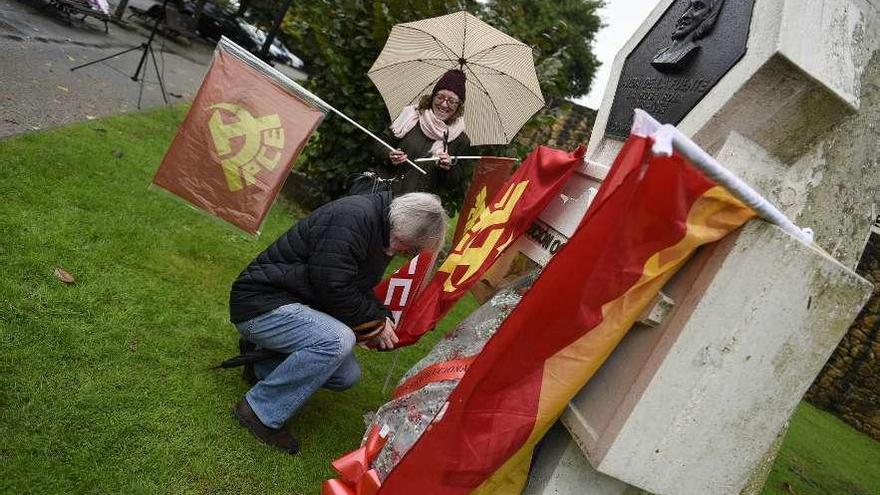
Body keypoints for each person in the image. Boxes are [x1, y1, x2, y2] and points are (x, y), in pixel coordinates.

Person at [228, 192, 448, 453]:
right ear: (402, 228)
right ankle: (259, 411)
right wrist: (374, 323)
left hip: (286, 304)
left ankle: (260, 362)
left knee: (346, 376)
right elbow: (332, 284)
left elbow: (355, 284)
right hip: (259, 304)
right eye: (408, 246)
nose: (405, 253)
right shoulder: (354, 218)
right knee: (337, 340)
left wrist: (382, 314)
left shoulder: (378, 225)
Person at [350, 69, 471, 198]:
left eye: (451, 101)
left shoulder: (460, 139)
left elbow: (453, 183)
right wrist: (389, 154)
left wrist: (447, 168)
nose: (444, 104)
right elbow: (379, 143)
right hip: (384, 195)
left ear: (459, 106)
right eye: (440, 97)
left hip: (418, 205)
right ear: (432, 97)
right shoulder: (410, 117)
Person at [652, 0, 725, 70]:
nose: (685, 15)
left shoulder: (690, 51)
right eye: (689, 7)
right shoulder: (659, 55)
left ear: (708, 15)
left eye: (698, 7)